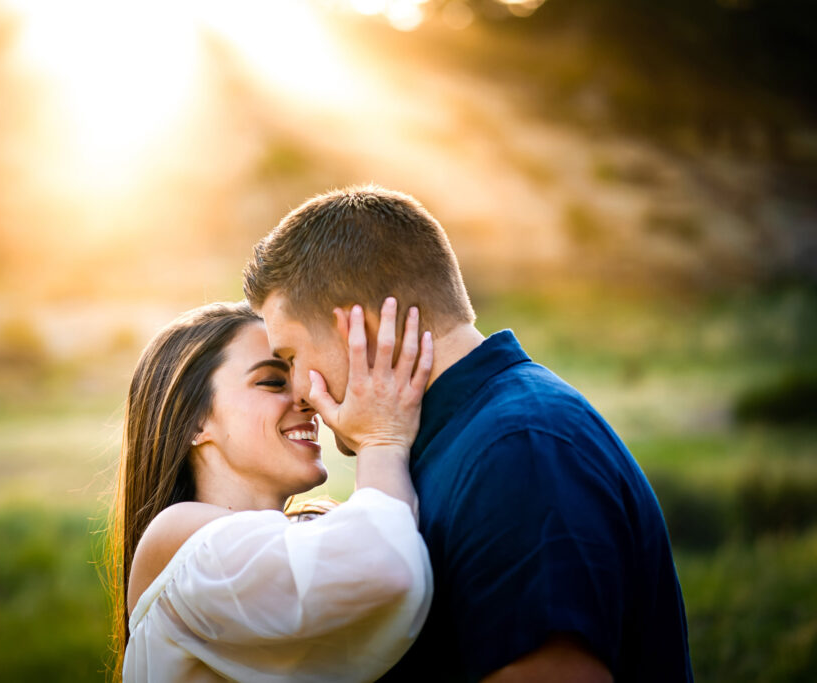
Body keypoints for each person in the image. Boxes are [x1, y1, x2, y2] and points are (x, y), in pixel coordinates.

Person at [243, 185, 694, 682]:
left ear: (361, 330)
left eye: (291, 358)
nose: (299, 395)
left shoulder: (518, 450)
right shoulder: (463, 444)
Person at [106, 300, 434, 682]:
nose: (307, 398)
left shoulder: (313, 533)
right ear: (195, 420)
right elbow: (387, 570)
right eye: (274, 382)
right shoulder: (175, 535)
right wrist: (380, 439)